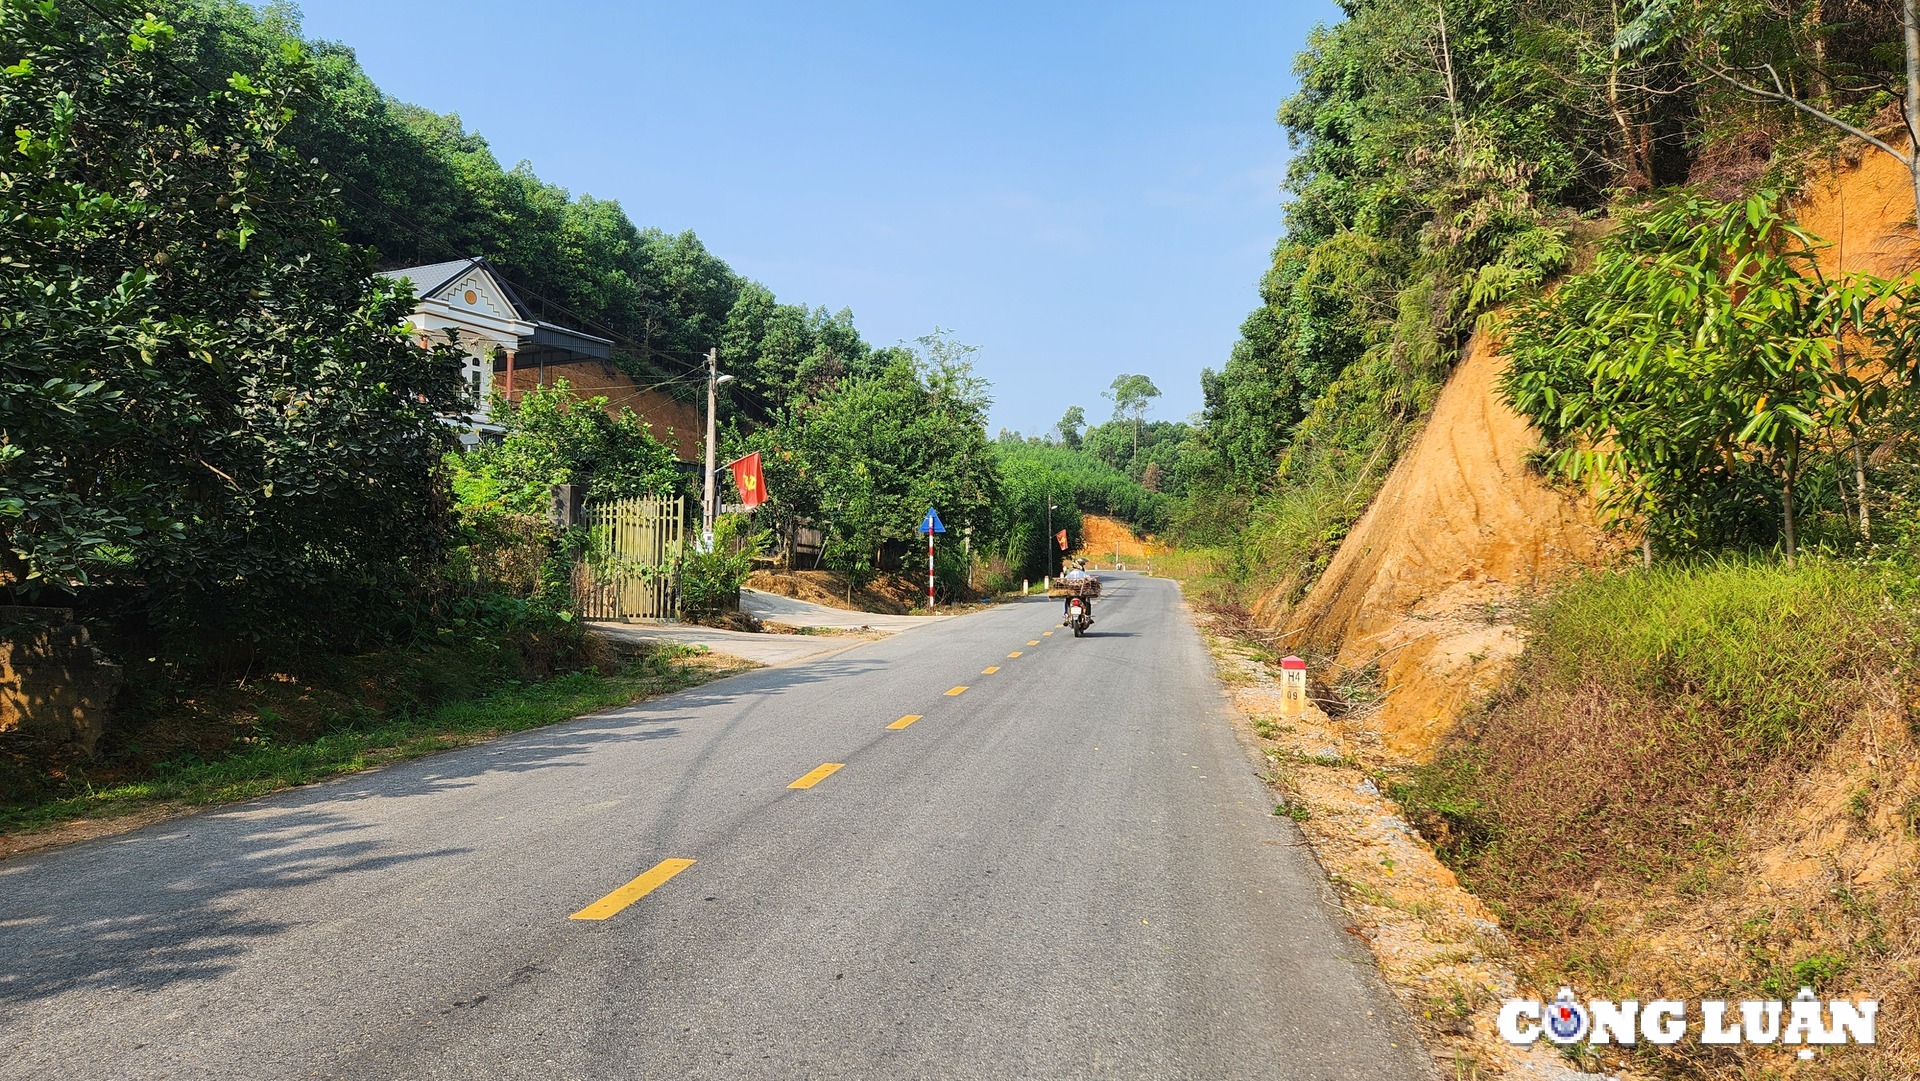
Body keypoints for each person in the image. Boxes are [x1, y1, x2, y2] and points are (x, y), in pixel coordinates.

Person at [1060, 558, 1094, 626]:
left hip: (1071, 594)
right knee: (1087, 601)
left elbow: (1063, 582)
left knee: (1067, 601)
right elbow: (1091, 581)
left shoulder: (1069, 574)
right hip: (1082, 594)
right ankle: (1087, 616)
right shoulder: (1084, 574)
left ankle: (1066, 615)